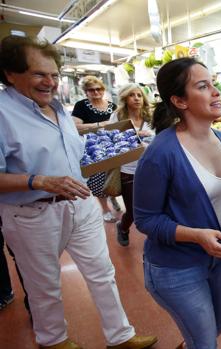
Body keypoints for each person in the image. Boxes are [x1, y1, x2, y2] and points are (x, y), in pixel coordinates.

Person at [0, 35, 157, 349]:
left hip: (81, 204)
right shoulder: (3, 114)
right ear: (10, 74)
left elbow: (74, 155)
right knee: (44, 284)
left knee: (102, 271)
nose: (50, 82)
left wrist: (116, 147)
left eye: (54, 75)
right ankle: (53, 340)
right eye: (39, 74)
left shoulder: (58, 109)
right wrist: (39, 181)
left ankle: (121, 336)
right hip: (34, 212)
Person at [133, 57, 221, 349]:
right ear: (180, 100)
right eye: (203, 86)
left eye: (214, 82)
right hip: (176, 266)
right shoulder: (161, 153)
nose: (216, 91)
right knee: (205, 342)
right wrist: (197, 236)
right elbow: (146, 220)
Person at [108, 84, 155, 247]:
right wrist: (133, 136)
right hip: (128, 169)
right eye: (132, 95)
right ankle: (123, 226)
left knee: (152, 206)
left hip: (151, 168)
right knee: (134, 210)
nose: (136, 98)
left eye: (139, 95)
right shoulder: (117, 117)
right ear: (125, 99)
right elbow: (109, 142)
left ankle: (154, 238)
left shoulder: (150, 117)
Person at [72, 75, 120, 223]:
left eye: (98, 89)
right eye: (91, 90)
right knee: (98, 180)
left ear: (103, 89)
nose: (95, 92)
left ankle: (112, 197)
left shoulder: (112, 106)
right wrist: (99, 125)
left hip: (112, 147)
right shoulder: (81, 106)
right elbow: (75, 126)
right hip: (93, 149)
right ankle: (105, 209)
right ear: (86, 92)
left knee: (113, 176)